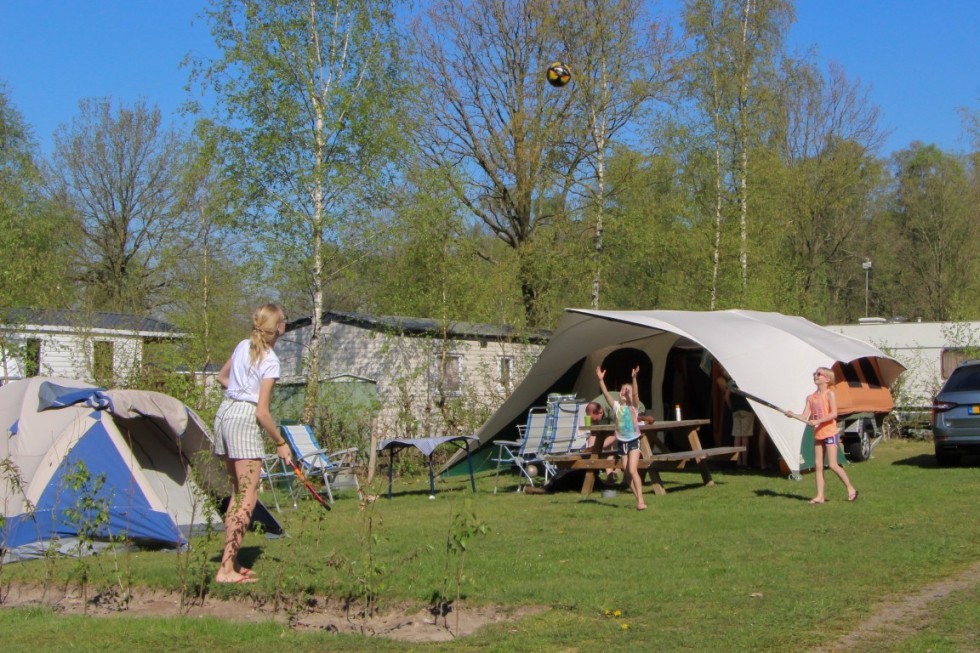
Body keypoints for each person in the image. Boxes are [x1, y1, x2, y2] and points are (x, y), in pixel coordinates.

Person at [213, 303, 292, 584]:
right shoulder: (270, 359)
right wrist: (281, 442)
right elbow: (262, 411)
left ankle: (229, 563)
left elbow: (222, 377)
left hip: (224, 414)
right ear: (278, 327)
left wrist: (239, 391)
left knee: (236, 495)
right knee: (247, 498)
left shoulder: (241, 345)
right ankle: (225, 571)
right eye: (284, 320)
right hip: (244, 419)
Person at [784, 366, 858, 504]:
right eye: (815, 374)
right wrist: (792, 415)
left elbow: (834, 414)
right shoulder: (810, 397)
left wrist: (818, 420)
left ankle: (851, 489)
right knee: (818, 465)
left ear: (827, 379)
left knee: (833, 464)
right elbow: (805, 416)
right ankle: (820, 496)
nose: (816, 376)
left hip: (830, 432)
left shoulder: (829, 394)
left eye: (819, 374)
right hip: (818, 434)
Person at [597, 365, 647, 511]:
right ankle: (638, 499)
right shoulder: (617, 406)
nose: (624, 393)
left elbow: (636, 394)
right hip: (622, 442)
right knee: (626, 472)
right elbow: (606, 395)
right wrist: (601, 380)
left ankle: (641, 500)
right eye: (622, 391)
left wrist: (634, 379)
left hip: (633, 441)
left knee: (632, 470)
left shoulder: (633, 407)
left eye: (627, 391)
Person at [717, 370, 755, 469]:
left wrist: (731, 408)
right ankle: (745, 462)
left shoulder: (730, 382)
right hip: (746, 410)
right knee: (745, 436)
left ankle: (738, 461)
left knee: (737, 436)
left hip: (735, 410)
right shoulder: (744, 381)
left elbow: (727, 397)